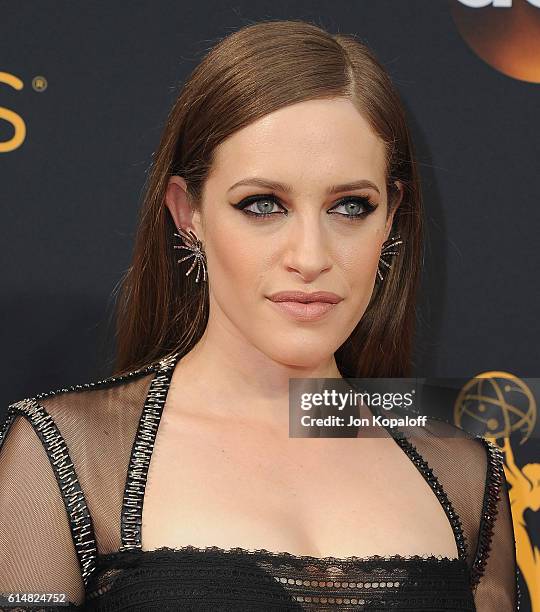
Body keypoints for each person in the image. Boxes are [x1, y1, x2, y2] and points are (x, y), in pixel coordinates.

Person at [0, 19, 518, 611]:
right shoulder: (66, 453)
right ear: (187, 212)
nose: (310, 257)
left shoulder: (465, 475)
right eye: (262, 205)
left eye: (350, 206)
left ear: (391, 218)